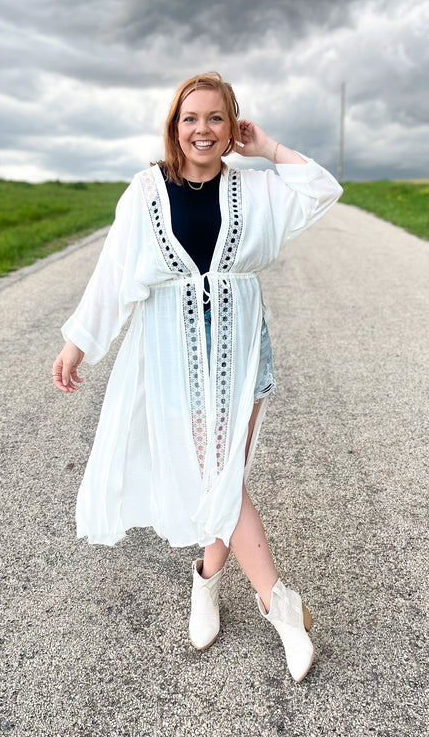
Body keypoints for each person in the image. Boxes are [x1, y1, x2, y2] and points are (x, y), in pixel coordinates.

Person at [52, 72, 341, 682]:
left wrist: (267, 149)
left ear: (231, 125)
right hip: (175, 347)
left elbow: (321, 188)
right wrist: (80, 343)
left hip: (240, 344)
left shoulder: (255, 188)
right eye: (191, 118)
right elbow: (113, 271)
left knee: (223, 471)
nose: (202, 130)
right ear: (174, 126)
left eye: (215, 118)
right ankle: (280, 605)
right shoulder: (145, 191)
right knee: (217, 470)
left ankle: (207, 581)